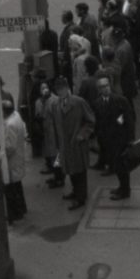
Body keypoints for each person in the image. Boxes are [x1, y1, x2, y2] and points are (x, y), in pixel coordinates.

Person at [54, 76, 95, 209]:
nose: (61, 92)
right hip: (65, 145)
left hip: (77, 144)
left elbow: (90, 121)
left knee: (80, 171)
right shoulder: (56, 104)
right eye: (58, 90)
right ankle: (75, 191)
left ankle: (81, 197)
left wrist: (82, 135)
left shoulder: (79, 102)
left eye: (63, 89)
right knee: (70, 170)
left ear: (68, 88)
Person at [93, 74, 135, 200]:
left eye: (106, 85)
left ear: (110, 86)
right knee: (115, 165)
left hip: (121, 139)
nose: (104, 88)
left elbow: (129, 120)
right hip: (108, 140)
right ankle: (121, 186)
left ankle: (125, 190)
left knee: (122, 165)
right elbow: (98, 122)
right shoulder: (97, 103)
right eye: (101, 87)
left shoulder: (120, 100)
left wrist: (130, 139)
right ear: (99, 89)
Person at [0, 99, 28, 223]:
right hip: (18, 157)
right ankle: (22, 209)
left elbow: (9, 146)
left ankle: (15, 213)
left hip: (11, 162)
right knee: (17, 186)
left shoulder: (9, 125)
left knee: (11, 188)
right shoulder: (16, 116)